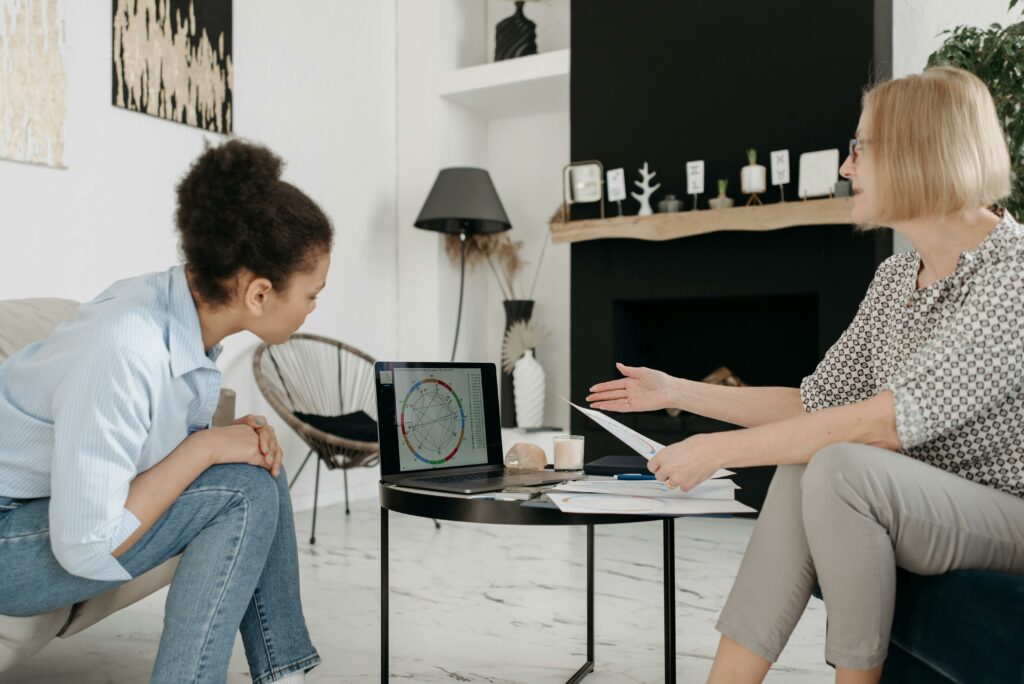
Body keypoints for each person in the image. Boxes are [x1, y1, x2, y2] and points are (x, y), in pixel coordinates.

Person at [587, 66, 1024, 684]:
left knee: (841, 464)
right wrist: (677, 391)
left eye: (858, 149)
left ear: (914, 153)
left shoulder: (1014, 274)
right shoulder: (897, 279)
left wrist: (718, 449)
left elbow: (883, 423)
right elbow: (817, 405)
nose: (847, 169)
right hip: (922, 497)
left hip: (1009, 515)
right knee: (806, 462)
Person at [0, 139, 331, 683]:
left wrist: (228, 441)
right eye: (313, 294)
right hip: (11, 540)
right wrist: (206, 447)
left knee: (258, 475)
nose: (316, 306)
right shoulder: (125, 347)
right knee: (241, 489)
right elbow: (84, 544)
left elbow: (137, 442)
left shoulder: (179, 314)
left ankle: (284, 677)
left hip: (36, 515)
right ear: (259, 293)